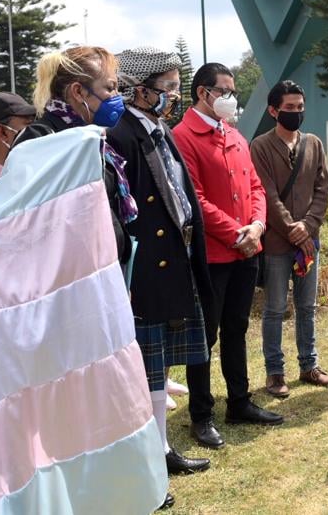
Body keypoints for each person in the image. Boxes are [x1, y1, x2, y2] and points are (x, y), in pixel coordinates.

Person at [107, 47, 214, 497]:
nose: (173, 95)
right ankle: (151, 460)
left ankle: (162, 447)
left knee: (161, 365)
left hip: (175, 256)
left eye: (174, 86)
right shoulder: (120, 133)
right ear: (138, 88)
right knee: (148, 370)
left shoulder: (158, 129)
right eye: (166, 87)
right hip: (146, 266)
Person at [173, 62, 283, 449]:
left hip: (245, 251)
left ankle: (239, 401)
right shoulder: (183, 136)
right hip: (214, 255)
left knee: (237, 329)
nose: (231, 98)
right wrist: (237, 233)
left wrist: (257, 226)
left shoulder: (233, 134)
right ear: (204, 93)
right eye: (225, 91)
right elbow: (194, 200)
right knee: (205, 336)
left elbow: (255, 186)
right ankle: (201, 415)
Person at [250, 80, 328, 398]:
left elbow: (322, 189)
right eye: (289, 108)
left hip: (308, 243)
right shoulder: (260, 146)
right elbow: (267, 194)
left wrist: (309, 226)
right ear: (273, 110)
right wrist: (293, 229)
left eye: (300, 108)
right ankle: (275, 373)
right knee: (274, 309)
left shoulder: (313, 143)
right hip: (276, 242)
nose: (296, 113)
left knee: (308, 307)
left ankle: (309, 365)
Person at [13, 46, 135, 267]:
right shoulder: (42, 138)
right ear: (78, 92)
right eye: (110, 88)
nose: (117, 97)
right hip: (69, 279)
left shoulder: (96, 137)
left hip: (104, 271)